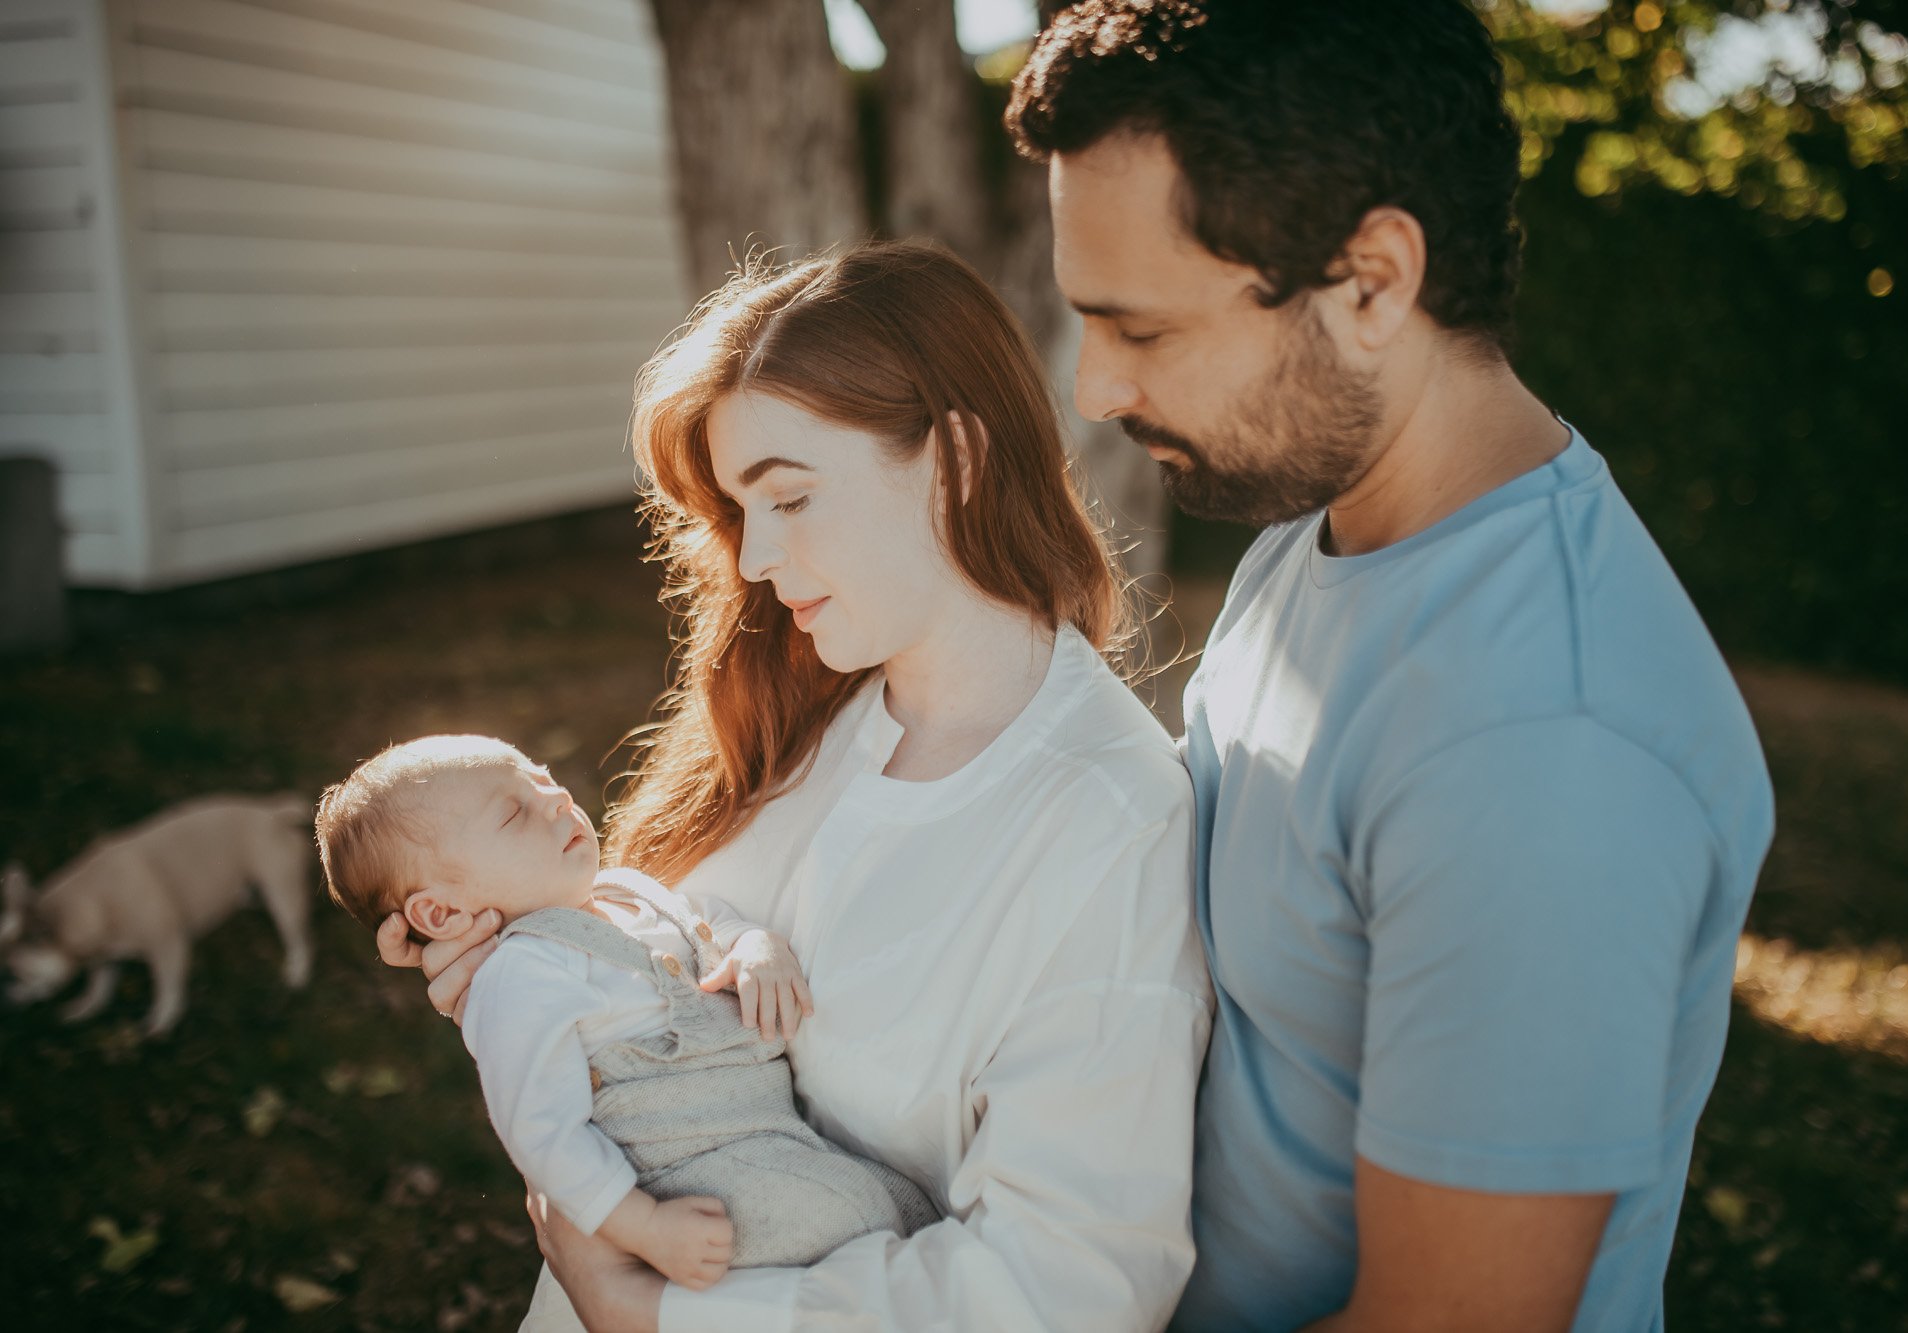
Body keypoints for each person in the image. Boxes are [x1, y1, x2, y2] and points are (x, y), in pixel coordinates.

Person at [1006, 3, 1776, 1331]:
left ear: (1373, 282)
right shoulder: (1319, 531)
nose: (1095, 390)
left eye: (1141, 329)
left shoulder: (1543, 748)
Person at [375, 241, 1214, 1332]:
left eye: (791, 497)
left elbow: (1067, 1287)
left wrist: (655, 1316)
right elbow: (641, 993)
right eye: (739, 510)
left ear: (954, 458)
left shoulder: (1103, 823)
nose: (758, 557)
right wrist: (518, 951)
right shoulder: (799, 705)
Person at [314, 734, 935, 1299]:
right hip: (689, 1177)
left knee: (904, 1205)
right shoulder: (522, 974)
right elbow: (542, 1131)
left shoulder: (627, 889)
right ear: (443, 916)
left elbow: (706, 919)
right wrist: (644, 1227)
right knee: (854, 1218)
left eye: (542, 778)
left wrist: (753, 945)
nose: (554, 798)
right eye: (513, 811)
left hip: (776, 1135)